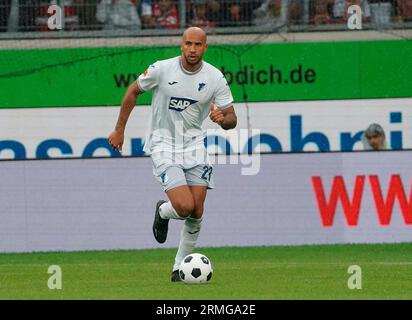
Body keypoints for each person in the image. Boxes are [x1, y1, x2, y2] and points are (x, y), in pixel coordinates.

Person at [108, 27, 237, 282]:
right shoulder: (161, 69)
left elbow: (231, 117)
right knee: (184, 206)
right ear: (181, 45)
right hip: (163, 144)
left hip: (194, 146)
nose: (192, 49)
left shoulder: (215, 78)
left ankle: (179, 269)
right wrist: (119, 130)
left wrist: (223, 119)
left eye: (197, 45)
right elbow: (133, 91)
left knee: (197, 210)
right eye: (188, 43)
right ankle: (164, 212)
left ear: (205, 47)